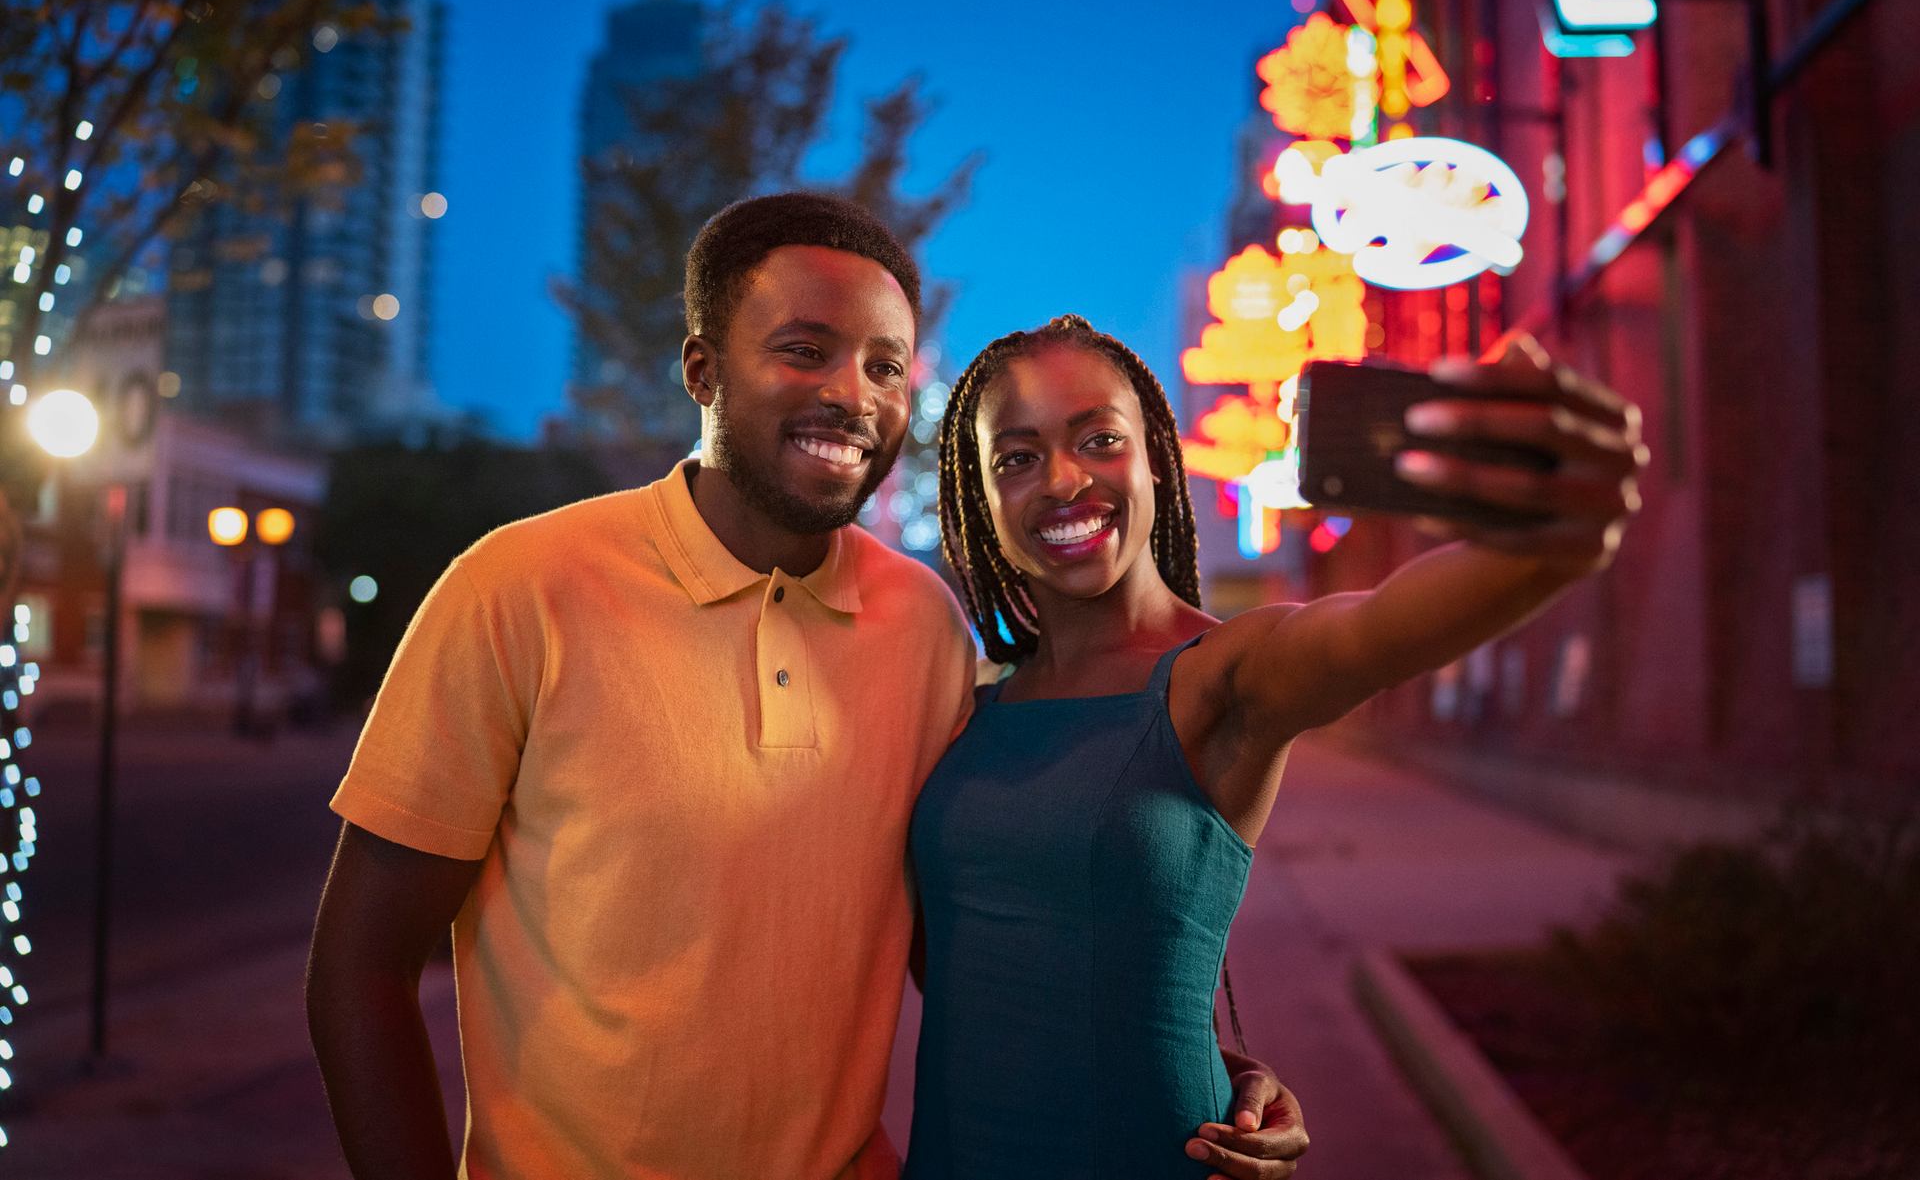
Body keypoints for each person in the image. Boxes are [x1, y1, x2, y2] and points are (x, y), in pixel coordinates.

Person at [306, 195, 1304, 1179]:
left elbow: (979, 941)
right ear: (702, 368)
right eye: (803, 349)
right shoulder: (518, 589)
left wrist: (1194, 1067)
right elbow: (361, 966)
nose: (851, 394)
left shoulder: (923, 629)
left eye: (883, 366)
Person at [906, 314, 1646, 1178]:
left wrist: (1555, 533)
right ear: (981, 498)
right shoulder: (971, 703)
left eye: (1098, 438)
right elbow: (975, 965)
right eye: (1017, 457)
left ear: (1155, 458)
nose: (1063, 480)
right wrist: (1217, 1061)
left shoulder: (1227, 673)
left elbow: (1372, 631)